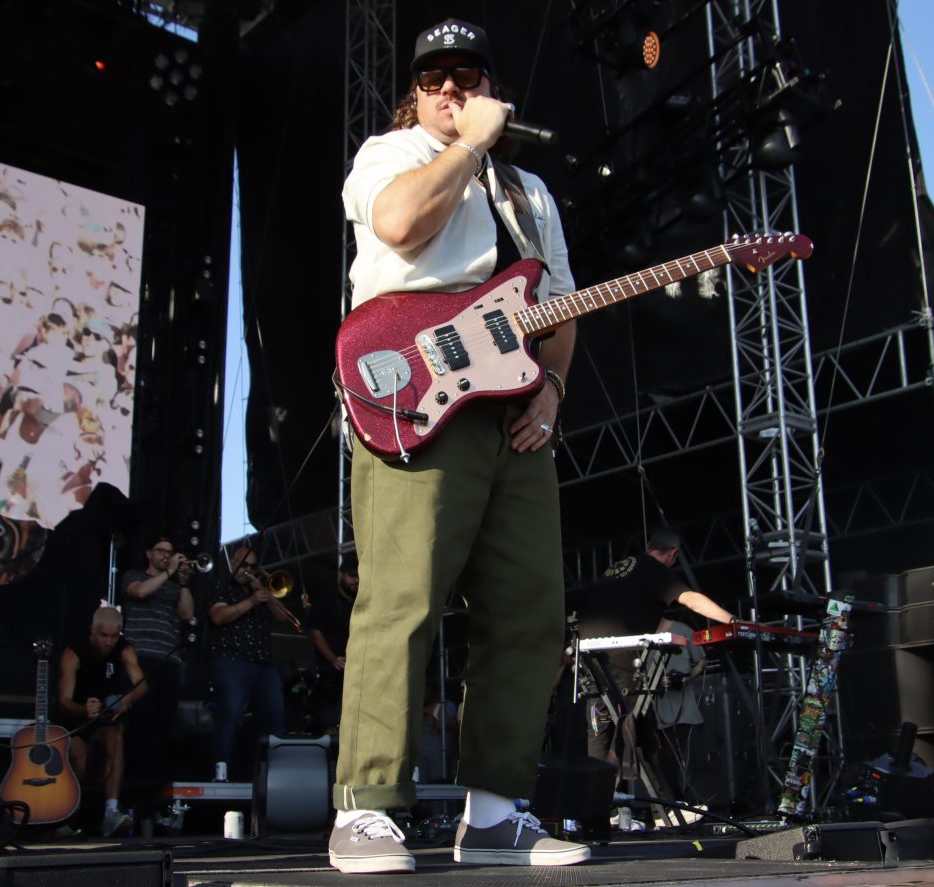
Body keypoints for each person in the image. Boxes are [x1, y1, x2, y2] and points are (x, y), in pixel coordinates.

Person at [331, 18, 588, 874]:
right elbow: (401, 223)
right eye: (433, 78)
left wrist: (553, 389)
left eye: (467, 76)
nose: (450, 88)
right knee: (403, 597)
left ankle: (495, 813)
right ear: (415, 94)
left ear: (491, 87)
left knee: (527, 607)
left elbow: (561, 303)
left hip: (514, 408)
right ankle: (367, 806)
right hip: (414, 395)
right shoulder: (392, 153)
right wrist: (467, 146)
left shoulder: (529, 192)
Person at [575, 528, 735, 827]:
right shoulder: (653, 568)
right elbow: (691, 599)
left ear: (649, 546)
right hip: (619, 656)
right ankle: (654, 810)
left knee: (606, 730)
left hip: (587, 655)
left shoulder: (617, 569)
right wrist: (734, 621)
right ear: (673, 554)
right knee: (634, 727)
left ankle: (599, 812)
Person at [56, 605, 147, 836]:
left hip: (104, 716)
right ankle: (67, 816)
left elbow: (142, 684)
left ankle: (111, 811)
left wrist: (127, 699)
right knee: (80, 760)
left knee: (116, 738)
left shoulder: (124, 649)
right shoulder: (74, 653)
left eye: (114, 636)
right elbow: (64, 701)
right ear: (92, 631)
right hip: (75, 717)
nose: (108, 642)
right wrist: (83, 710)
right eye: (104, 635)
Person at [121, 536, 196, 819]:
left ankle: (154, 798)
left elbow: (187, 614)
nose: (166, 556)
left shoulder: (173, 585)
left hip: (169, 661)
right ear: (148, 553)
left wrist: (184, 583)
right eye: (162, 551)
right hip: (139, 658)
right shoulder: (135, 576)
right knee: (139, 723)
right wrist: (169, 572)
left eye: (170, 552)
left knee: (162, 727)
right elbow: (140, 592)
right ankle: (131, 795)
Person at [207, 544, 288, 781]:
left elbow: (283, 616)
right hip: (232, 660)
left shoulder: (259, 591)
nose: (248, 570)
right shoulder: (222, 586)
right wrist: (252, 601)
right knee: (230, 713)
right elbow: (218, 616)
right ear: (233, 563)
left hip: (263, 663)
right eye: (244, 565)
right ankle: (221, 771)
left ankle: (276, 774)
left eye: (253, 566)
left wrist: (265, 595)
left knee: (275, 714)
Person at [653, 616, 707, 805]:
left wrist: (686, 679)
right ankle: (668, 800)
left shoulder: (683, 630)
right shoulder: (639, 631)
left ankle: (674, 799)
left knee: (672, 755)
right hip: (653, 704)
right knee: (656, 756)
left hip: (681, 705)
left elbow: (701, 662)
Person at [306, 556, 358, 734]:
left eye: (359, 576)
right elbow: (315, 631)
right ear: (341, 575)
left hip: (355, 672)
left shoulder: (360, 603)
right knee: (329, 724)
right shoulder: (326, 600)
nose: (356, 580)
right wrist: (332, 658)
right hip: (330, 674)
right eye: (352, 576)